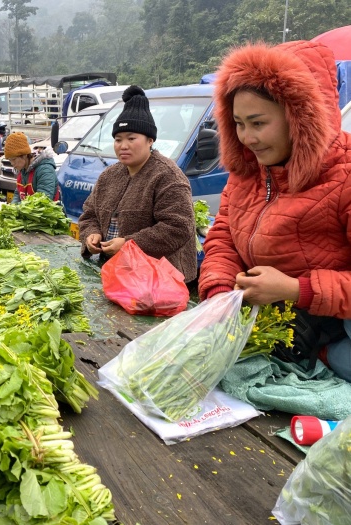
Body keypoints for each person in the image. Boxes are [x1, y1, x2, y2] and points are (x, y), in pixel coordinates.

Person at [199, 41, 351, 381]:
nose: (247, 138)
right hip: (271, 326)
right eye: (238, 123)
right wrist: (219, 293)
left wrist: (296, 290)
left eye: (258, 123)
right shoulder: (249, 170)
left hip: (330, 327)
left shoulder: (345, 173)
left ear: (299, 118)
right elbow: (223, 235)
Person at [78, 85, 197, 283]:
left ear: (150, 140)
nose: (123, 146)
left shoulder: (168, 176)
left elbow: (178, 227)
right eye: (118, 139)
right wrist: (92, 234)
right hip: (115, 271)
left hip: (158, 280)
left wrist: (128, 244)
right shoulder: (109, 175)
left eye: (131, 138)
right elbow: (89, 214)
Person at [4, 132, 59, 203]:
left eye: (14, 159)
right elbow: (18, 193)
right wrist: (12, 208)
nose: (12, 163)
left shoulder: (45, 170)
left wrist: (17, 208)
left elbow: (43, 200)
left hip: (48, 213)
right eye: (10, 160)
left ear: (24, 155)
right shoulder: (23, 169)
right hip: (30, 212)